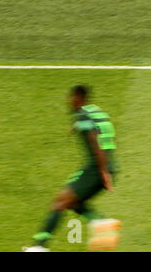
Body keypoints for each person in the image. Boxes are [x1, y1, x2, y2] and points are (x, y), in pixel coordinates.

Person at [23, 85, 121, 252]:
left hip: (97, 168)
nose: (69, 101)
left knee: (60, 202)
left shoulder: (82, 114)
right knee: (73, 202)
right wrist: (76, 127)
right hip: (107, 166)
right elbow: (101, 130)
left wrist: (103, 172)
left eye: (71, 98)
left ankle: (39, 248)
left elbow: (95, 140)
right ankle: (99, 222)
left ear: (78, 98)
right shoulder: (95, 111)